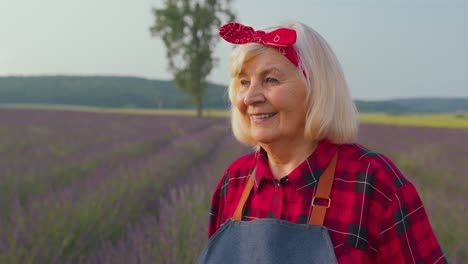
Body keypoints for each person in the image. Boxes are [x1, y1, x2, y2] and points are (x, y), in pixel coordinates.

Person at [197, 21, 446, 263]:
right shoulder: (235, 180)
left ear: (317, 89)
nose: (250, 97)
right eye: (244, 82)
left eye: (271, 80)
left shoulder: (374, 182)